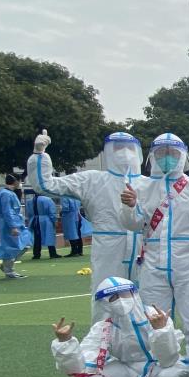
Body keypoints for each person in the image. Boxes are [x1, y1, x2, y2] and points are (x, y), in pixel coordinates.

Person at [50, 276, 189, 377]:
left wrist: (161, 330)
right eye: (113, 297)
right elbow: (82, 369)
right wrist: (65, 343)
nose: (120, 301)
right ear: (104, 303)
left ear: (134, 294)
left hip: (157, 366)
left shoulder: (156, 315)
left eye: (125, 294)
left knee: (174, 375)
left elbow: (168, 359)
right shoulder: (103, 327)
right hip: (126, 369)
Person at [30, 130, 145, 319]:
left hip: (142, 248)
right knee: (106, 295)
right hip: (108, 247)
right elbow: (46, 185)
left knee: (146, 299)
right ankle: (102, 336)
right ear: (108, 152)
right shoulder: (92, 180)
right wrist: (39, 155)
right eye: (118, 148)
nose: (124, 153)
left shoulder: (148, 183)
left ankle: (145, 336)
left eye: (129, 148)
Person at [118, 133, 189, 329]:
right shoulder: (141, 187)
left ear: (182, 156)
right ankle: (160, 350)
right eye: (161, 153)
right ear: (152, 156)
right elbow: (134, 225)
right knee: (153, 318)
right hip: (152, 264)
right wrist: (129, 207)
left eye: (172, 153)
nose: (167, 157)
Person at [0, 174, 30, 279]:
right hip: (10, 225)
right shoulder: (6, 194)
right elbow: (7, 211)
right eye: (20, 181)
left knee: (24, 244)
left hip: (16, 224)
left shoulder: (8, 193)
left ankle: (6, 267)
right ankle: (9, 271)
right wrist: (13, 226)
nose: (20, 183)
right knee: (12, 247)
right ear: (15, 181)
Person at [30, 190, 61, 260]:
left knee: (37, 237)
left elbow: (29, 212)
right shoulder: (48, 199)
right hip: (46, 220)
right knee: (49, 236)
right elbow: (52, 211)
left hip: (35, 220)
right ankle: (52, 253)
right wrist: (55, 220)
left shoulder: (31, 200)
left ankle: (36, 254)